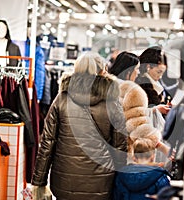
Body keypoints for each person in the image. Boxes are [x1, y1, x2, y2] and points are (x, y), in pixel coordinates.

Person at [31, 52, 127, 200]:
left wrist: (39, 181)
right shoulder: (112, 102)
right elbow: (120, 146)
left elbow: (47, 143)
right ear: (102, 72)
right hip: (100, 182)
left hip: (64, 180)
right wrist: (119, 178)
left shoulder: (61, 99)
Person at [135, 46, 171, 115]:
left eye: (162, 73)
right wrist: (156, 109)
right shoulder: (141, 86)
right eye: (158, 72)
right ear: (148, 67)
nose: (160, 77)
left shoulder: (154, 84)